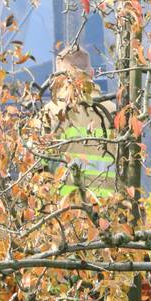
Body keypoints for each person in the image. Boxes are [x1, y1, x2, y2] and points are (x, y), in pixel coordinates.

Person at [38, 46, 117, 197]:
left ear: (58, 77)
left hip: (64, 214)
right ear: (92, 73)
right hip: (108, 213)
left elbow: (36, 173)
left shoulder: (49, 114)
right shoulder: (114, 113)